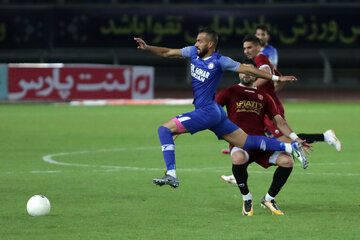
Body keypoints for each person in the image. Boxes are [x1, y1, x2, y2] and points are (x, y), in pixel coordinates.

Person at [134, 27, 306, 189]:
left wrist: (276, 78)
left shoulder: (220, 61)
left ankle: (171, 174)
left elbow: (248, 69)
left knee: (164, 130)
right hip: (214, 112)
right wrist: (148, 47)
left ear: (210, 44)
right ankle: (290, 147)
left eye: (199, 41)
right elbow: (167, 52)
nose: (196, 44)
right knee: (246, 141)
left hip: (207, 112)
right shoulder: (192, 52)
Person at [221, 35, 341, 184]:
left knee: (282, 138)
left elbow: (267, 76)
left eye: (249, 47)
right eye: (244, 48)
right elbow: (278, 77)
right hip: (263, 106)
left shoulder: (261, 60)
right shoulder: (263, 60)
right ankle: (239, 170)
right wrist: (272, 92)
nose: (246, 51)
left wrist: (250, 91)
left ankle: (321, 138)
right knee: (261, 140)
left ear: (258, 47)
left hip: (266, 107)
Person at [216, 59, 309, 216]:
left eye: (250, 70)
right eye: (243, 70)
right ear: (238, 72)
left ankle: (269, 199)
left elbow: (280, 122)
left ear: (256, 73)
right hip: (240, 142)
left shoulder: (264, 96)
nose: (246, 73)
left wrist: (295, 137)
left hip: (261, 143)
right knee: (238, 158)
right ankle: (246, 198)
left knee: (287, 162)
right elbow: (210, 112)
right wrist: (182, 129)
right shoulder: (229, 92)